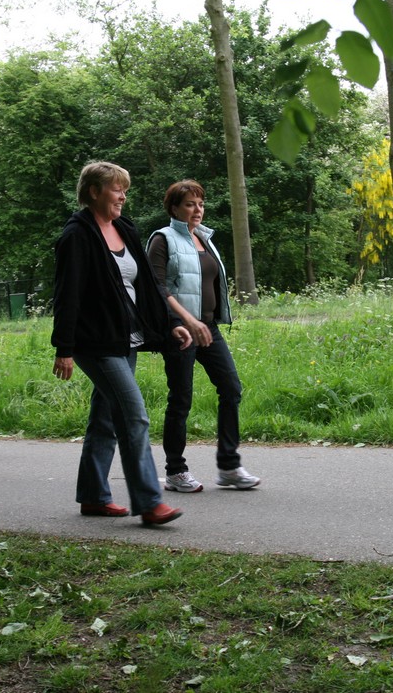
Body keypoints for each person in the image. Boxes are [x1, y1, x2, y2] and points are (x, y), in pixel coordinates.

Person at [52, 161, 192, 525]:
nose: (123, 196)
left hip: (125, 338)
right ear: (94, 191)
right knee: (133, 416)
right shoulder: (77, 236)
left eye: (124, 190)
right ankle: (149, 502)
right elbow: (67, 295)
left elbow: (147, 285)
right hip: (94, 342)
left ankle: (93, 496)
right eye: (117, 189)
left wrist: (171, 324)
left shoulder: (124, 229)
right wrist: (64, 348)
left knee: (104, 419)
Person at [146, 180, 260, 492]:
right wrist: (185, 320)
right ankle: (175, 471)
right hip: (180, 331)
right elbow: (156, 287)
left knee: (231, 389)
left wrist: (209, 320)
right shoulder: (163, 239)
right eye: (189, 204)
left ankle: (229, 466)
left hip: (209, 328)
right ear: (174, 208)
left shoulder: (204, 239)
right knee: (181, 399)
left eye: (200, 204)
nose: (198, 210)